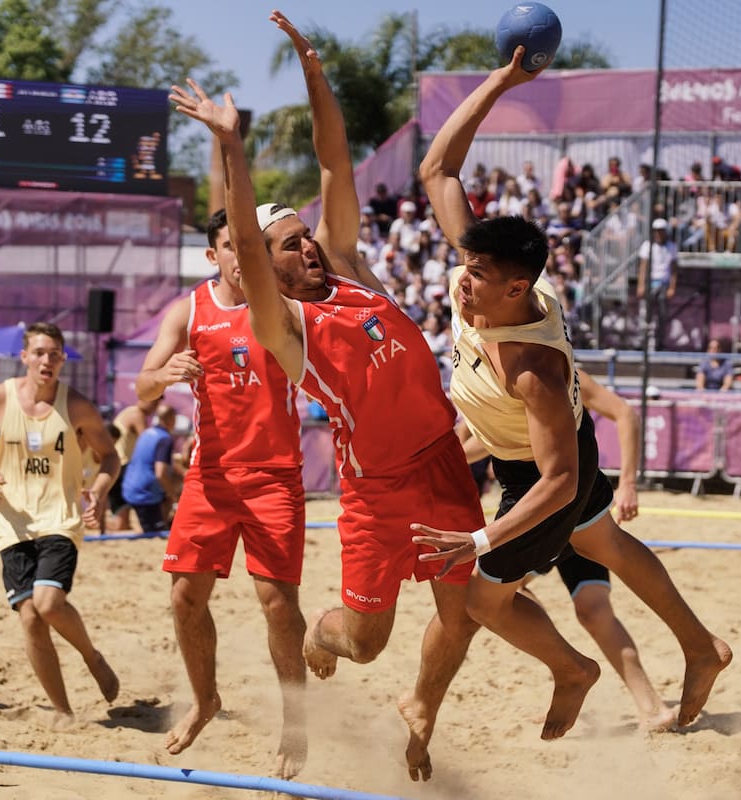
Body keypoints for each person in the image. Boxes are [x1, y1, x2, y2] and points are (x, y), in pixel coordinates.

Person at [171, 11, 486, 783]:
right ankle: (319, 640)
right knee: (365, 640)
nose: (307, 243)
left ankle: (421, 711)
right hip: (370, 485)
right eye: (290, 242)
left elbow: (335, 163)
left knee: (465, 608)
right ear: (266, 268)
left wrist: (312, 67)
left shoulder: (343, 266)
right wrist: (231, 143)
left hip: (437, 460)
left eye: (307, 235)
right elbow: (245, 240)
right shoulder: (282, 324)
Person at [416, 45, 731, 742]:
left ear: (517, 289)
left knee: (482, 601)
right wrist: (502, 80)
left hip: (542, 473)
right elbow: (438, 168)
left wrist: (479, 536)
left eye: (477, 277)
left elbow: (556, 482)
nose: (461, 284)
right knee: (607, 543)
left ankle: (572, 671)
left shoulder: (534, 369)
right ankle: (701, 646)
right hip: (548, 453)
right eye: (464, 268)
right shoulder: (492, 280)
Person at [135, 206, 308, 777]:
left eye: (248, 245)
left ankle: (295, 720)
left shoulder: (281, 306)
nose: (240, 255)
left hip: (274, 474)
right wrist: (163, 375)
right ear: (215, 256)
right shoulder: (189, 310)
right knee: (185, 597)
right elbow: (140, 390)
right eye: (230, 246)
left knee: (278, 606)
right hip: (210, 477)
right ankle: (206, 698)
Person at [461, 368, 677, 731]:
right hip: (559, 508)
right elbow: (475, 443)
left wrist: (628, 484)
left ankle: (574, 671)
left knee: (494, 593)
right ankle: (649, 706)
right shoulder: (481, 378)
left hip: (558, 512)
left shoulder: (555, 373)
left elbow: (625, 413)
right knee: (592, 609)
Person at [0, 322, 120, 728]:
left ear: (63, 360)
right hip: (11, 520)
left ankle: (91, 655)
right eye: (40, 353)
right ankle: (63, 710)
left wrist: (98, 491)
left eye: (54, 354)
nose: (47, 360)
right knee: (30, 616)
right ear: (25, 357)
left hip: (59, 517)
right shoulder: (0, 398)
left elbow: (111, 458)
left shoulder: (77, 406)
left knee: (48, 604)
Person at [120, 403, 177, 533]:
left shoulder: (147, 433)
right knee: (157, 532)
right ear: (171, 420)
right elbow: (160, 473)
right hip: (144, 493)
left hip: (129, 486)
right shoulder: (165, 439)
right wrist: (173, 496)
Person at [110, 398, 155, 531]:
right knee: (121, 524)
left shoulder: (129, 412)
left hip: (119, 465)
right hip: (122, 467)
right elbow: (148, 441)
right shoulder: (137, 414)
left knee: (124, 523)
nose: (155, 406)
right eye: (154, 402)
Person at [636, 218, 678, 349]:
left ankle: (660, 343)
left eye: (661, 231)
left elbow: (674, 269)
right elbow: (643, 267)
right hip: (650, 283)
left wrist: (672, 287)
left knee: (662, 315)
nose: (658, 234)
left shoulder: (672, 247)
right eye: (656, 231)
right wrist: (641, 285)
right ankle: (643, 342)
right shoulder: (647, 246)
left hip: (663, 284)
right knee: (645, 314)